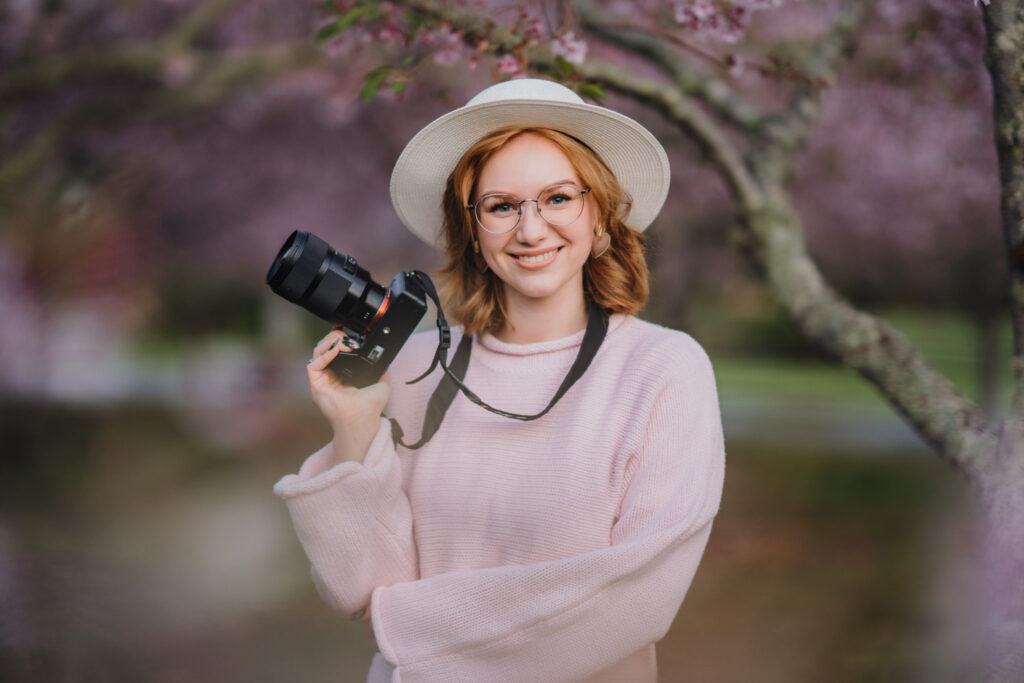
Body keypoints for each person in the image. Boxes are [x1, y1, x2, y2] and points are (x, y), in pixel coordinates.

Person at [273, 78, 725, 683]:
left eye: (559, 198)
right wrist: (354, 429)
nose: (531, 230)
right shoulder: (413, 368)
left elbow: (636, 598)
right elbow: (360, 590)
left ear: (601, 219)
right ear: (475, 234)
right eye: (502, 206)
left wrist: (413, 629)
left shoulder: (662, 369)